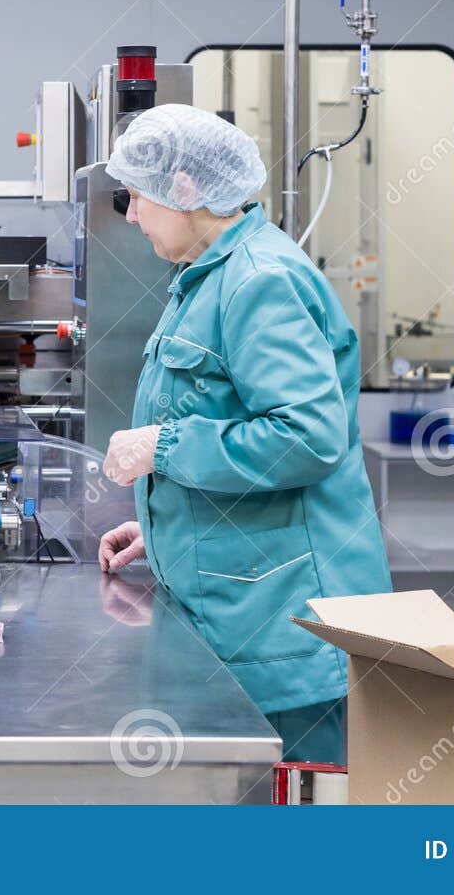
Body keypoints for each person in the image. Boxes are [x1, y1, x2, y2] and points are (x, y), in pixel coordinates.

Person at [96, 104, 391, 765]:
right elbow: (235, 420)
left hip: (289, 626)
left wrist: (159, 449)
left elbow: (308, 435)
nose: (131, 213)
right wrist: (167, 522)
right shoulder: (204, 277)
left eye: (137, 195)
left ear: (186, 189)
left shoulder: (261, 281)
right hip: (246, 605)